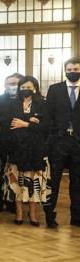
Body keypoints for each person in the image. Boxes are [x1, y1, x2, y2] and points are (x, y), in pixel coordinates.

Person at [5, 76, 50, 226]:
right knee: (18, 183)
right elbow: (11, 125)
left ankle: (33, 214)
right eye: (22, 88)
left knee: (34, 183)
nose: (25, 90)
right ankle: (19, 213)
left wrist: (25, 124)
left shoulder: (42, 104)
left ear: (35, 88)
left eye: (28, 87)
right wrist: (31, 122)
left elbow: (45, 128)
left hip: (36, 151)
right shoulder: (12, 104)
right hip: (17, 149)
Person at [44, 57, 80, 228]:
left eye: (76, 69)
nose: (73, 72)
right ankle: (50, 215)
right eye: (70, 69)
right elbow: (48, 115)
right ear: (65, 70)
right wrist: (54, 136)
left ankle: (77, 216)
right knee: (54, 180)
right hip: (59, 142)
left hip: (79, 143)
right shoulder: (55, 89)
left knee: (77, 181)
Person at [0, 72, 23, 213]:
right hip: (0, 142)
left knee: (15, 174)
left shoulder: (25, 101)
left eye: (16, 84)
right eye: (11, 83)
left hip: (19, 144)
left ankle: (12, 202)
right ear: (4, 85)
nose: (13, 86)